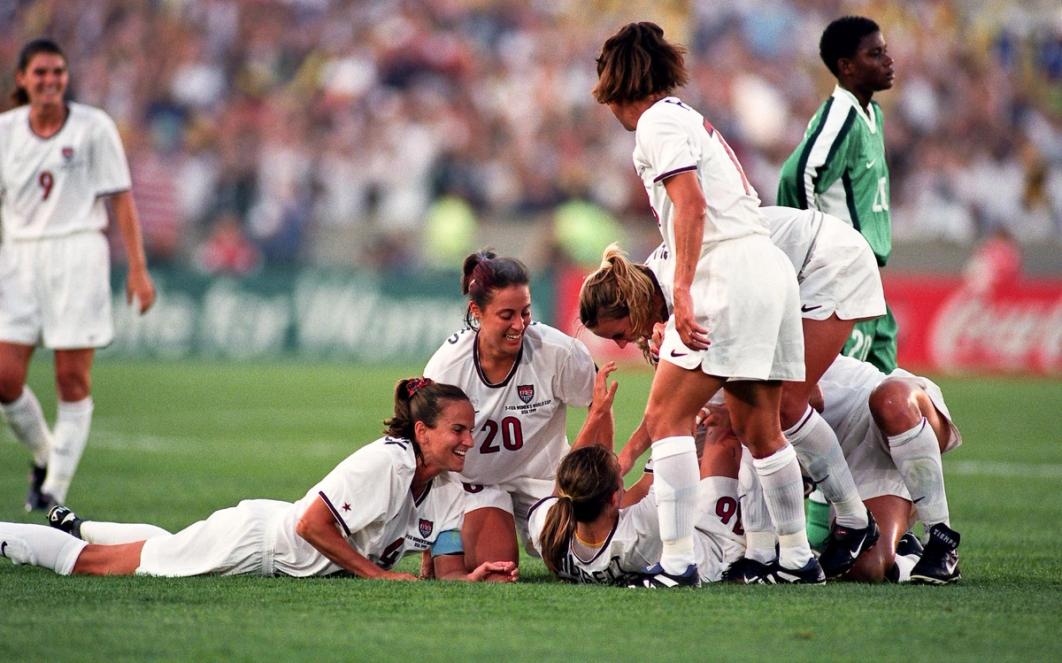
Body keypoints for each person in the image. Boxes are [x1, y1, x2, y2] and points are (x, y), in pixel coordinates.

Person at [592, 22, 820, 586]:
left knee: (666, 416)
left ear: (617, 78)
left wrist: (686, 290)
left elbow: (690, 206)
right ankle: (795, 557)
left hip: (727, 270)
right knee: (758, 427)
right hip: (764, 267)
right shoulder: (686, 116)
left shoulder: (656, 122)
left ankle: (675, 563)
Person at [0, 378, 518, 583]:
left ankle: (82, 526)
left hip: (265, 532)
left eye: (472, 431)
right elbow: (314, 526)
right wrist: (378, 577)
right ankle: (14, 535)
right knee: (100, 569)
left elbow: (440, 572)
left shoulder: (443, 485)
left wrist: (461, 580)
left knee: (168, 548)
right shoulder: (389, 462)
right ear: (423, 431)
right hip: (255, 545)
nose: (469, 441)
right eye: (458, 430)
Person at [640, 204, 886, 577]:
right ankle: (763, 552)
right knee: (750, 413)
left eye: (622, 332)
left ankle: (853, 520)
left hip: (827, 261)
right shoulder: (664, 276)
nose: (634, 341)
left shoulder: (681, 282)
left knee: (784, 406)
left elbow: (811, 397)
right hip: (792, 274)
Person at [0, 39, 156, 511]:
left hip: (78, 253)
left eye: (58, 72)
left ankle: (53, 493)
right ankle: (46, 453)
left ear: (66, 78)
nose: (50, 81)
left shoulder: (93, 127)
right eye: (40, 73)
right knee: (5, 378)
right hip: (19, 258)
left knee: (71, 378)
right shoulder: (5, 131)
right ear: (23, 79)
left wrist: (138, 268)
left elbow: (121, 198)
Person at [423, 250, 596, 571]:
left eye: (526, 312)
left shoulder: (559, 352)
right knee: (497, 571)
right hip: (477, 485)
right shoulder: (447, 368)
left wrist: (590, 485)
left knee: (584, 563)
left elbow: (598, 406)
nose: (519, 325)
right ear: (477, 311)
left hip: (546, 481)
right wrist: (431, 540)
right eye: (507, 315)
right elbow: (429, 451)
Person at [528, 375, 746, 586]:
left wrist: (597, 415)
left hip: (634, 535)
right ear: (614, 499)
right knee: (722, 432)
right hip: (713, 551)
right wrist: (694, 417)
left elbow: (566, 483)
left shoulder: (549, 529)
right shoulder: (644, 527)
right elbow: (663, 466)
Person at [776, 16, 897, 374]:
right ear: (846, 67)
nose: (888, 61)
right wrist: (807, 248)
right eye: (875, 54)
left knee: (886, 388)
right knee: (839, 393)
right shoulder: (841, 114)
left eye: (885, 51)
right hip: (841, 280)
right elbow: (796, 175)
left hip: (869, 276)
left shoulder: (870, 112)